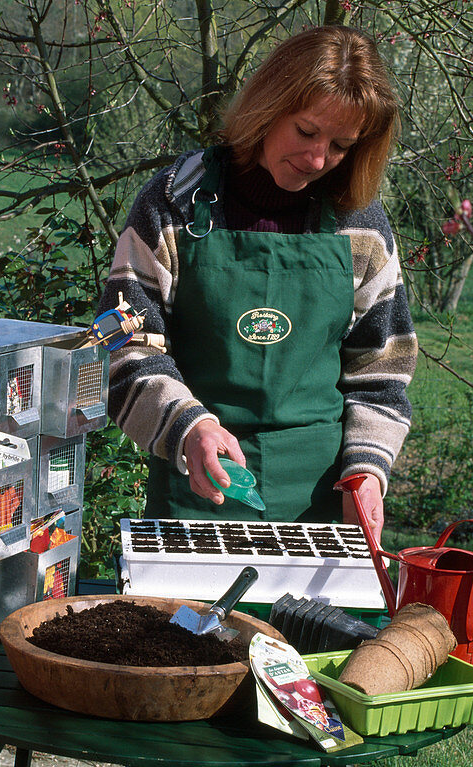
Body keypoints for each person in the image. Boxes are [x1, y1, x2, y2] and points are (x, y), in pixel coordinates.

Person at [96, 26, 417, 543]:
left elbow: (381, 370)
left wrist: (367, 472)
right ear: (267, 107)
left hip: (322, 503)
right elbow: (121, 343)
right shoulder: (174, 201)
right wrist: (188, 426)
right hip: (195, 492)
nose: (317, 160)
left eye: (340, 145)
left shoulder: (361, 224)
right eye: (307, 131)